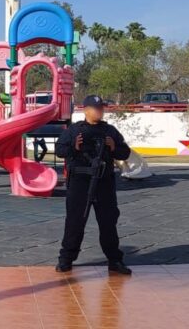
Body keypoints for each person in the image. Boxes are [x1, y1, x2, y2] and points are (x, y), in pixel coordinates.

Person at [55, 95, 132, 275]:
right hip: (80, 182)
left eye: (101, 108)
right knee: (75, 222)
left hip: (104, 183)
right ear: (86, 109)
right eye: (96, 108)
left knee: (108, 223)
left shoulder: (110, 131)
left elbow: (125, 152)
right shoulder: (74, 130)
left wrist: (113, 147)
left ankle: (114, 260)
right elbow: (60, 150)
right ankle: (66, 259)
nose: (99, 111)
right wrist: (74, 147)